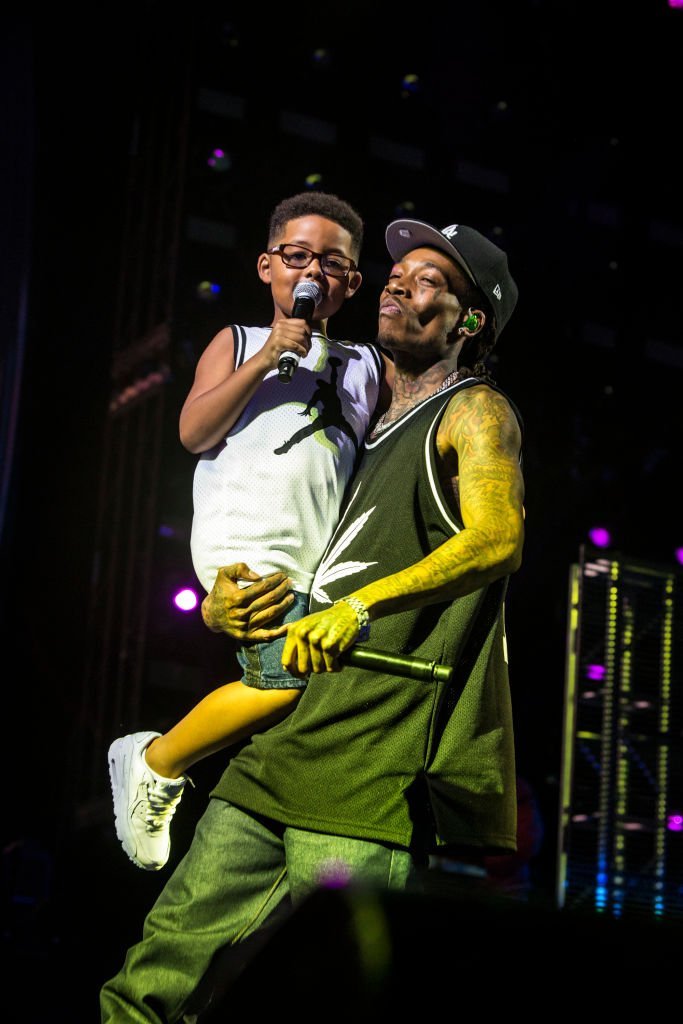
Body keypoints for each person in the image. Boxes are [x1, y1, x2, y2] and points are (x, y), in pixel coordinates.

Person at [100, 215, 525, 1023]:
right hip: (274, 755)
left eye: (431, 279)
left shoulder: (475, 414)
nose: (400, 282)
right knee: (150, 982)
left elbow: (498, 536)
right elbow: (278, 532)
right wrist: (225, 608)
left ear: (469, 322)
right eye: (398, 272)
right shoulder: (357, 420)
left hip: (367, 771)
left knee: (334, 998)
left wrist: (364, 604)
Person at [106, 190, 391, 871]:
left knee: (309, 700)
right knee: (282, 682)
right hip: (247, 550)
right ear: (268, 266)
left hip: (314, 564)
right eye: (297, 256)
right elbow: (192, 431)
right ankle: (154, 759)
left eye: (331, 262)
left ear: (351, 282)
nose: (311, 273)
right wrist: (267, 359)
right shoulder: (236, 342)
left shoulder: (365, 367)